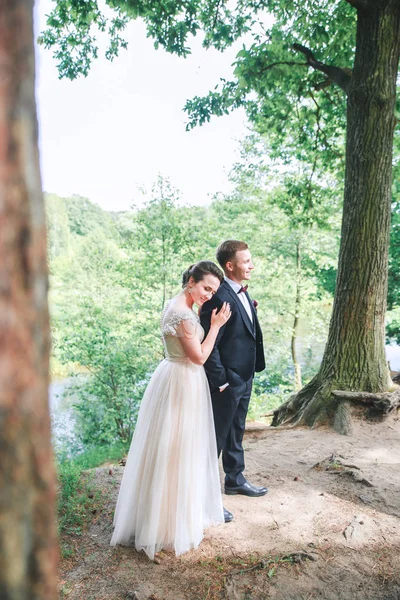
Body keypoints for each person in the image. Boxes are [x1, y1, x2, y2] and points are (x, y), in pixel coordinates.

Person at [110, 261, 232, 560]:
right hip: (183, 380)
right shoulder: (184, 316)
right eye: (205, 287)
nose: (208, 294)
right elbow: (200, 357)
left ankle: (156, 515)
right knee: (177, 448)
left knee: (166, 446)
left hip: (169, 374)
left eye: (213, 290)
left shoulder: (176, 304)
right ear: (191, 281)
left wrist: (201, 313)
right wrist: (214, 326)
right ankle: (167, 525)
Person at [200, 240, 267, 523]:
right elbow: (209, 344)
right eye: (247, 261)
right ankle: (204, 499)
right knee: (214, 440)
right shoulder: (218, 295)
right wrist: (222, 381)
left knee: (236, 430)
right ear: (230, 265)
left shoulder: (240, 292)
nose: (252, 265)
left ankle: (235, 479)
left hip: (245, 376)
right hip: (226, 381)